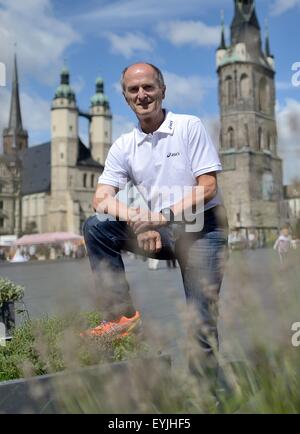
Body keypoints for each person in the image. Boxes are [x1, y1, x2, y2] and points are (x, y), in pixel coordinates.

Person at [83, 63, 228, 384]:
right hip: (160, 229)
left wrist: (158, 216)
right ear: (125, 98)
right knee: (96, 226)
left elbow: (208, 187)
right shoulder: (124, 146)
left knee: (200, 322)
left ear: (162, 90)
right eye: (134, 90)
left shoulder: (188, 126)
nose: (142, 95)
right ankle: (121, 317)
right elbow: (101, 197)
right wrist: (138, 219)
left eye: (148, 87)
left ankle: (209, 395)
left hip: (203, 229)